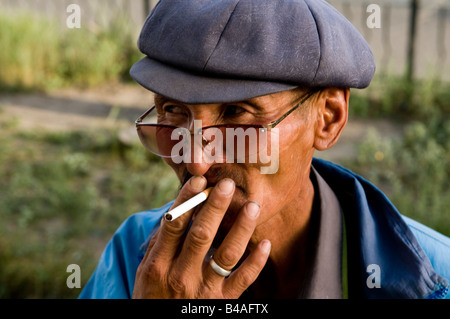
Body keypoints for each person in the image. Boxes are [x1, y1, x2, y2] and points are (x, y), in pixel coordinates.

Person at [79, 0, 450, 299]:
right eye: (173, 111)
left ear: (328, 119)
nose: (195, 161)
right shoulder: (134, 256)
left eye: (237, 113)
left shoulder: (433, 280)